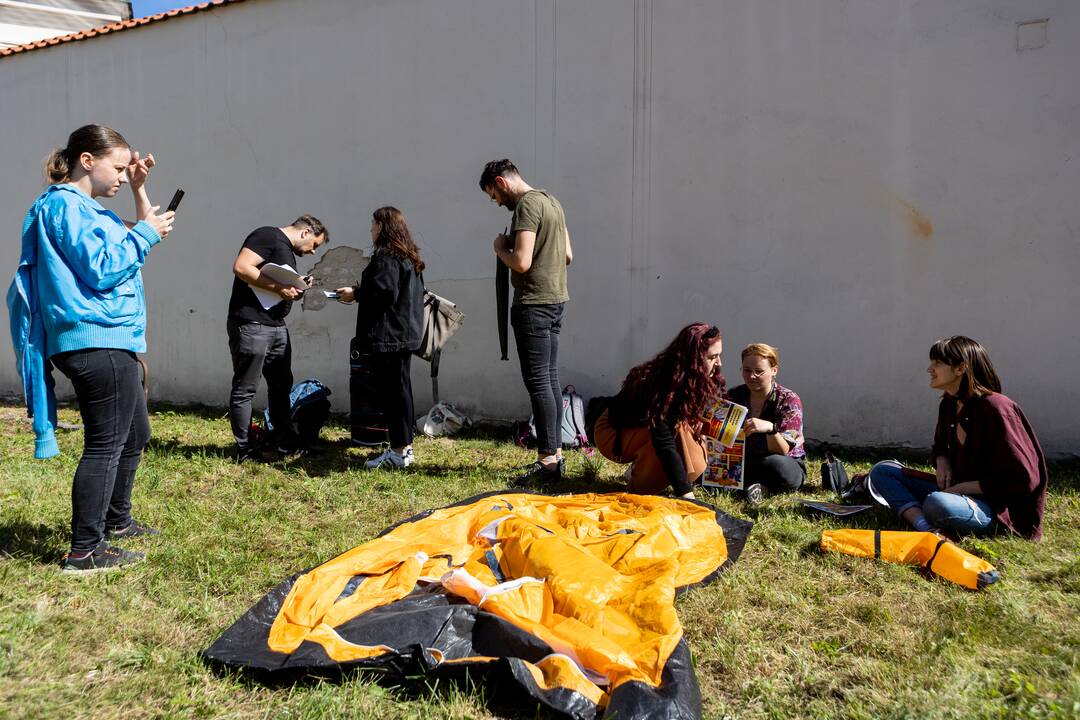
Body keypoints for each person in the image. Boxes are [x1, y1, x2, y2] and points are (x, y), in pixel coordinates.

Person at [7, 124, 174, 573]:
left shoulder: (85, 208)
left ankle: (116, 523)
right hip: (94, 337)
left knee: (134, 434)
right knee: (105, 444)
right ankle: (85, 550)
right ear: (87, 160)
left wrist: (141, 193)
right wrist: (145, 234)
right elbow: (104, 268)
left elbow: (134, 241)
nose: (122, 176)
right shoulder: (66, 206)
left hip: (110, 337)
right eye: (118, 168)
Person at [868, 336, 1048, 539]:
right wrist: (941, 459)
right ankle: (925, 528)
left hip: (997, 510)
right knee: (883, 472)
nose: (930, 369)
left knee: (937, 503)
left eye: (937, 363)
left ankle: (934, 516)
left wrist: (961, 489)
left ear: (960, 368)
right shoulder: (949, 404)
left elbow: (1023, 480)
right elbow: (940, 447)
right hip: (957, 495)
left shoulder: (997, 408)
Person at [479, 159, 573, 485]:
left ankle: (548, 462)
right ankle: (555, 456)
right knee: (549, 379)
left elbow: (520, 262)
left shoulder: (526, 206)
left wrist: (500, 249)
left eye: (494, 195)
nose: (497, 203)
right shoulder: (551, 201)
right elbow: (568, 255)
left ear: (501, 183)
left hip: (533, 304)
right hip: (557, 300)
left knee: (538, 383)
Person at [227, 214, 328, 461]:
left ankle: (286, 442)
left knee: (281, 387)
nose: (313, 252)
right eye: (315, 245)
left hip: (276, 327)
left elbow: (277, 282)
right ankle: (245, 449)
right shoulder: (267, 235)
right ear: (305, 232)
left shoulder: (283, 249)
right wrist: (279, 288)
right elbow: (241, 267)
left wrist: (296, 286)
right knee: (245, 389)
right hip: (251, 324)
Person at [335, 207, 425, 469]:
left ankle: (397, 452)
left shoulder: (387, 256)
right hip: (403, 335)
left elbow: (384, 292)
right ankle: (404, 447)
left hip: (388, 337)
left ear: (383, 227)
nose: (371, 230)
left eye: (373, 225)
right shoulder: (408, 256)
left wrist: (356, 293)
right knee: (401, 392)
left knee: (392, 395)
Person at [593, 323, 725, 499]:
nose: (719, 363)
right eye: (712, 357)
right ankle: (638, 478)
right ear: (693, 358)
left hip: (649, 429)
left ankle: (644, 469)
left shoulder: (692, 378)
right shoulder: (663, 385)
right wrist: (686, 494)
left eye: (719, 355)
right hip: (612, 432)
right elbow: (664, 441)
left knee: (694, 464)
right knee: (649, 486)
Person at [726, 343, 806, 494]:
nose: (751, 376)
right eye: (747, 370)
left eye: (759, 371)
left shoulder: (788, 400)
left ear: (774, 370)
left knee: (777, 466)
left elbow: (783, 449)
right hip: (743, 459)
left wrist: (771, 428)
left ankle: (751, 486)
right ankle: (755, 488)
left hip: (779, 460)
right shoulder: (734, 396)